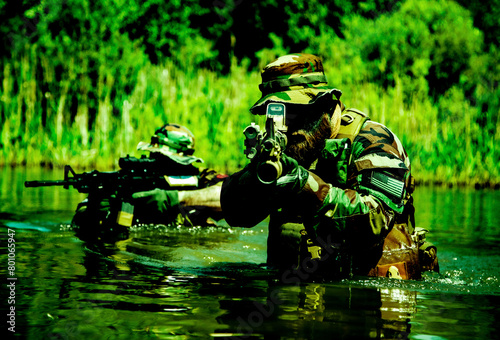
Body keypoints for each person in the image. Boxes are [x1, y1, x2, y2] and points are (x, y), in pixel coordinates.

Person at [221, 53, 438, 280]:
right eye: (279, 114)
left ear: (326, 102)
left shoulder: (373, 141)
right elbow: (235, 213)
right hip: (294, 298)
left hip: (372, 298)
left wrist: (306, 185)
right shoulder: (282, 146)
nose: (289, 126)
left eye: (298, 112)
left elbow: (374, 221)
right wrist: (256, 176)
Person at [72, 123, 227, 241]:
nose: (157, 162)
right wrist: (99, 206)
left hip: (188, 255)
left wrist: (172, 198)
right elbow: (78, 223)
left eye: (166, 160)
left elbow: (232, 196)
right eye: (155, 156)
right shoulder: (130, 178)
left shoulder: (202, 178)